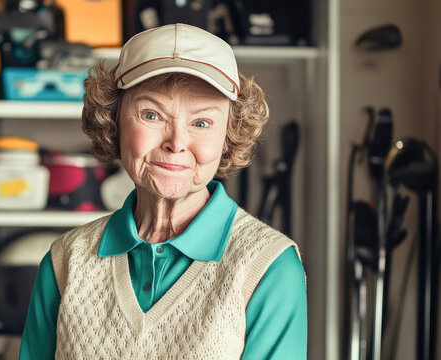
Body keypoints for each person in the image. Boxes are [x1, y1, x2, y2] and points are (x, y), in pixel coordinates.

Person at [20, 23, 307, 359]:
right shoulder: (65, 261)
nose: (177, 143)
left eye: (201, 122)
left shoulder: (268, 266)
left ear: (229, 133)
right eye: (152, 114)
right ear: (113, 121)